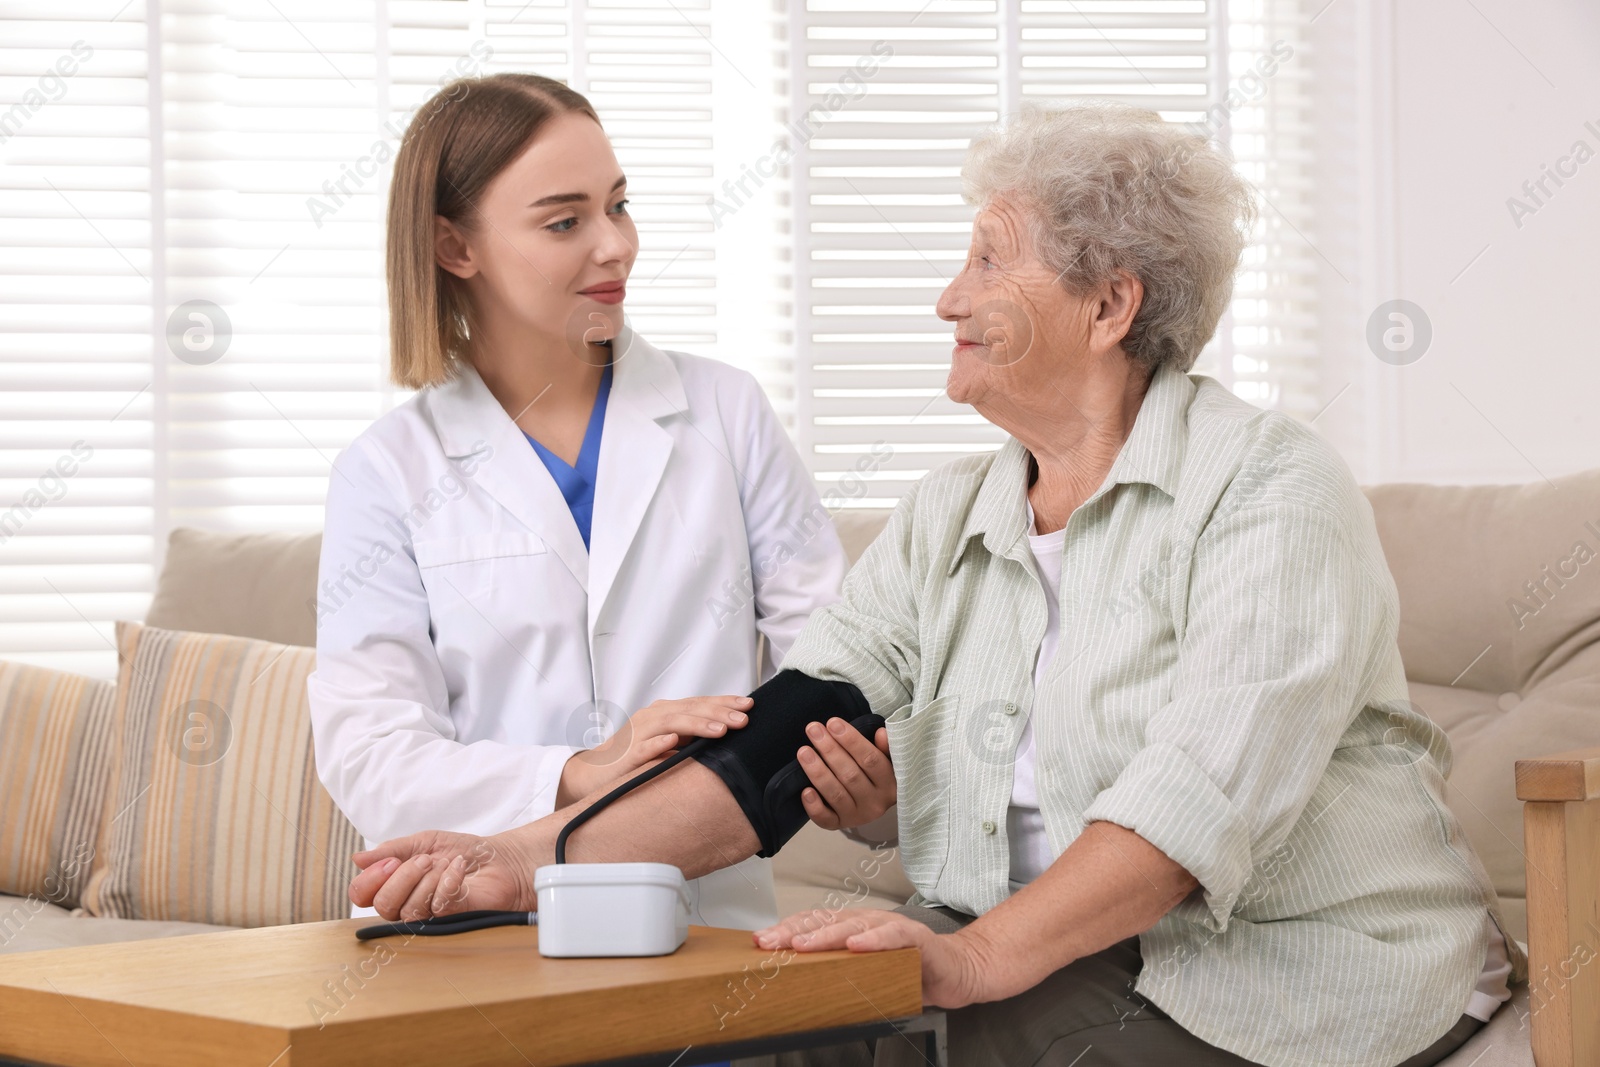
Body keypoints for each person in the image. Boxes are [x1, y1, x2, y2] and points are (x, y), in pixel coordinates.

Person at [343, 102, 1524, 1067]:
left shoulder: (1269, 490)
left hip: (1293, 968)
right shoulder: (952, 510)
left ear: (1110, 303)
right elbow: (776, 742)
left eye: (985, 260)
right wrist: (525, 853)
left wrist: (970, 957)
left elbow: (1187, 805)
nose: (947, 297)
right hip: (1047, 948)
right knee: (790, 1038)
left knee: (961, 1035)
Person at [306, 72, 856, 933]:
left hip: (698, 919)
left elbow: (832, 665)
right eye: (565, 221)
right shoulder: (388, 469)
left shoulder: (725, 412)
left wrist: (854, 764)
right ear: (456, 247)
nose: (616, 246)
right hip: (470, 934)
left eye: (620, 205)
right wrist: (580, 770)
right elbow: (370, 752)